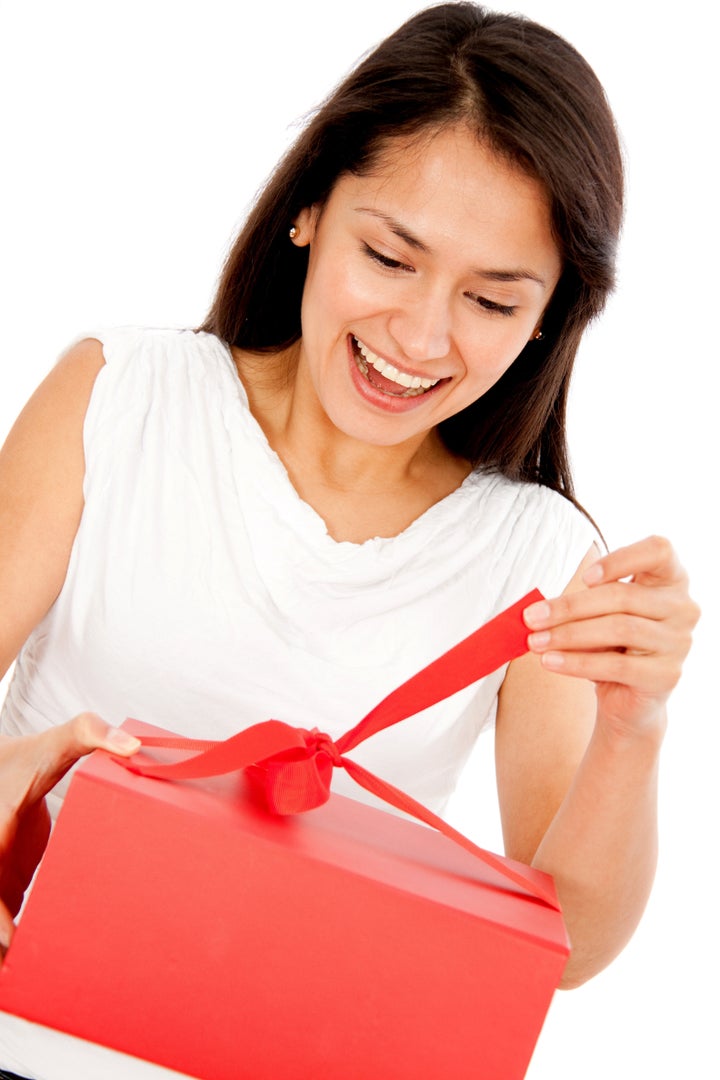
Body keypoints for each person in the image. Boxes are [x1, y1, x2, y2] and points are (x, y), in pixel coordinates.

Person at [0, 2, 699, 1077]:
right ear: (309, 210)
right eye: (390, 255)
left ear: (548, 320)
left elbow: (563, 947)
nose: (420, 338)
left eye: (492, 300)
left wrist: (634, 728)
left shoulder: (535, 560)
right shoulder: (120, 397)